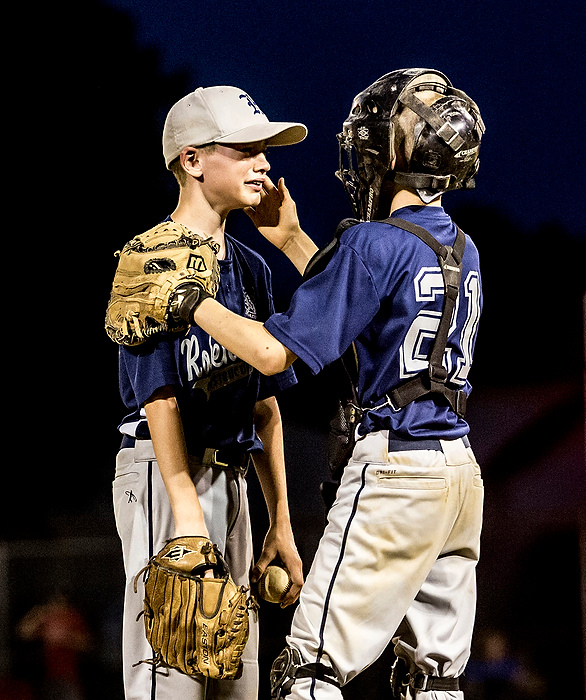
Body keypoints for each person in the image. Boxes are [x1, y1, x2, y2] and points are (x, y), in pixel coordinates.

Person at [184, 68, 486, 699]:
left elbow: (273, 355)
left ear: (396, 155)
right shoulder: (461, 245)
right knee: (435, 679)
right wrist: (294, 239)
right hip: (458, 476)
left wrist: (193, 304)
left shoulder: (372, 243)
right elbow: (370, 311)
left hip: (398, 470)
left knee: (309, 671)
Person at [111, 85, 307, 700]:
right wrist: (189, 518)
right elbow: (159, 399)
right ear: (193, 161)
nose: (264, 164)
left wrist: (282, 522)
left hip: (234, 477)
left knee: (234, 679)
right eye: (246, 149)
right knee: (169, 676)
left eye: (264, 151)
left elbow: (266, 407)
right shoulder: (151, 258)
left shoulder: (252, 267)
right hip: (167, 473)